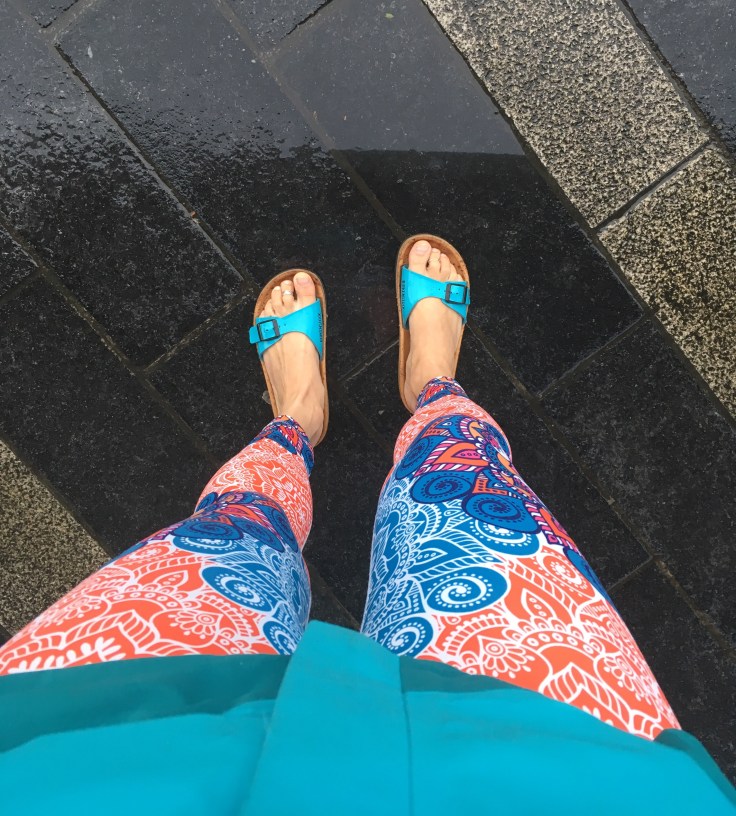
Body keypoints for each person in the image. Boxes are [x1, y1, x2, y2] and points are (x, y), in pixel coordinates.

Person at [0, 237, 733, 814]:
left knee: (230, 543)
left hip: (104, 767)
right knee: (467, 505)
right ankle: (433, 388)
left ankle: (296, 422)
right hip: (550, 779)